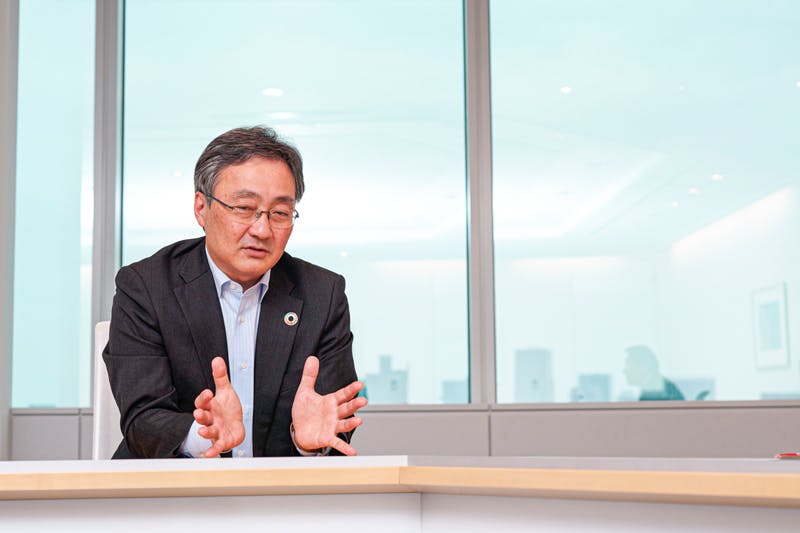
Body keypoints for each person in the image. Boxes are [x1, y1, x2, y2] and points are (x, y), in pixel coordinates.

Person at [103, 126, 367, 459]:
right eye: (244, 208)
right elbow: (143, 420)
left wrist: (307, 442)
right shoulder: (146, 286)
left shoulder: (322, 295)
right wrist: (203, 437)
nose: (262, 229)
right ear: (201, 207)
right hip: (172, 486)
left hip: (281, 488)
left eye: (280, 213)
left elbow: (331, 415)